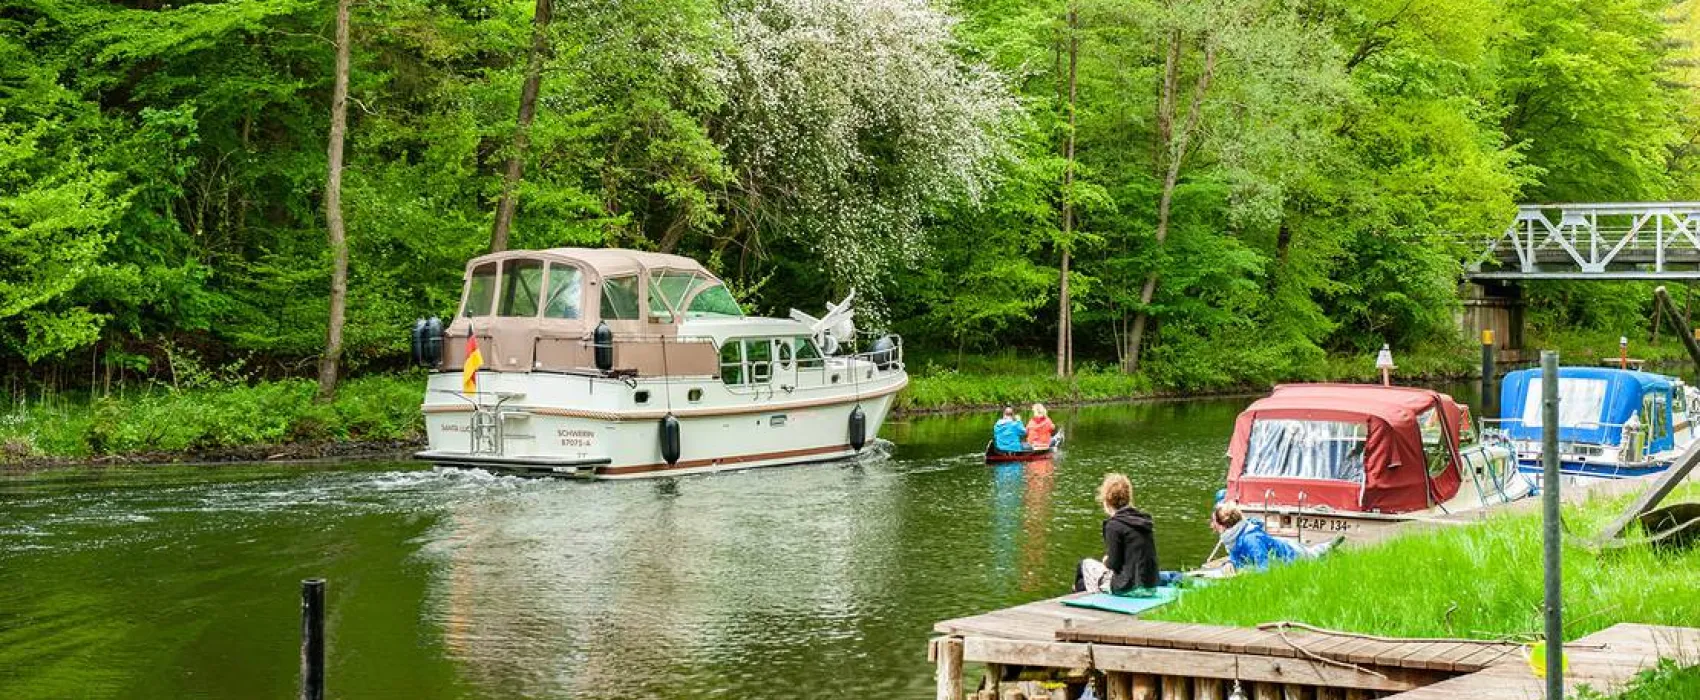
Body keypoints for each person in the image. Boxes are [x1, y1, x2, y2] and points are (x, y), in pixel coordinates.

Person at [1074, 473, 1160, 595]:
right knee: (1086, 582)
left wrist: (1106, 560)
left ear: (1106, 500)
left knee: (1084, 565)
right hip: (1150, 587)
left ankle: (1082, 599)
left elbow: (1114, 564)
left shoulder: (1113, 525)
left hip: (1128, 588)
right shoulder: (1144, 521)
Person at [1210, 501, 1341, 573]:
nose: (1212, 525)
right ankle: (1328, 547)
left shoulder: (1251, 539)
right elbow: (1237, 555)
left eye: (1214, 521)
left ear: (1222, 525)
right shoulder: (1235, 537)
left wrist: (1244, 571)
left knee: (1314, 555)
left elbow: (1265, 568)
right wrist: (1230, 563)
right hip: (1282, 545)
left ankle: (1330, 546)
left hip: (1292, 553)